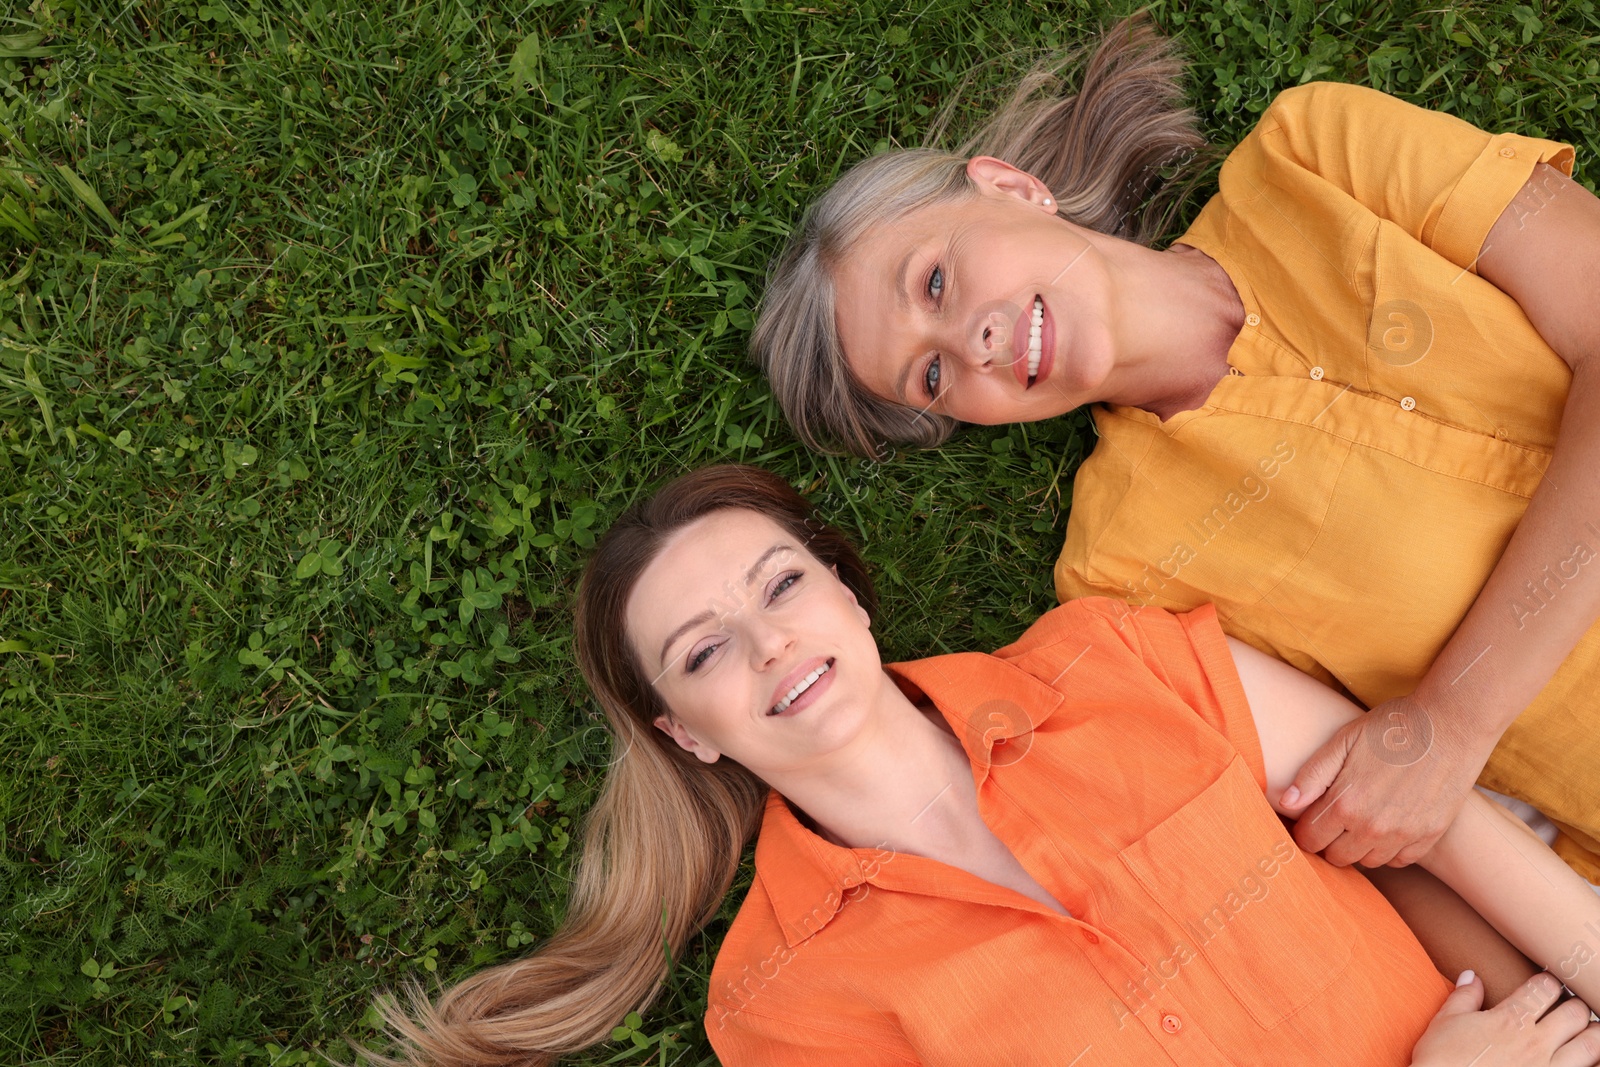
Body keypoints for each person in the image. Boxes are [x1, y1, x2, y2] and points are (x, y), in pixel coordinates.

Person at [357, 465, 1600, 1067]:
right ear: (688, 729)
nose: (772, 639)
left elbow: (1427, 814)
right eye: (704, 651)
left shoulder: (1115, 659)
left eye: (782, 582)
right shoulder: (785, 1006)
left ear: (844, 592)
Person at [750, 12, 1600, 888]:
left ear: (1008, 187)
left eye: (935, 281)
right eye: (930, 376)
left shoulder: (1314, 153)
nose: (973, 345)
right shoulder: (1127, 575)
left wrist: (1453, 720)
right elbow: (1364, 812)